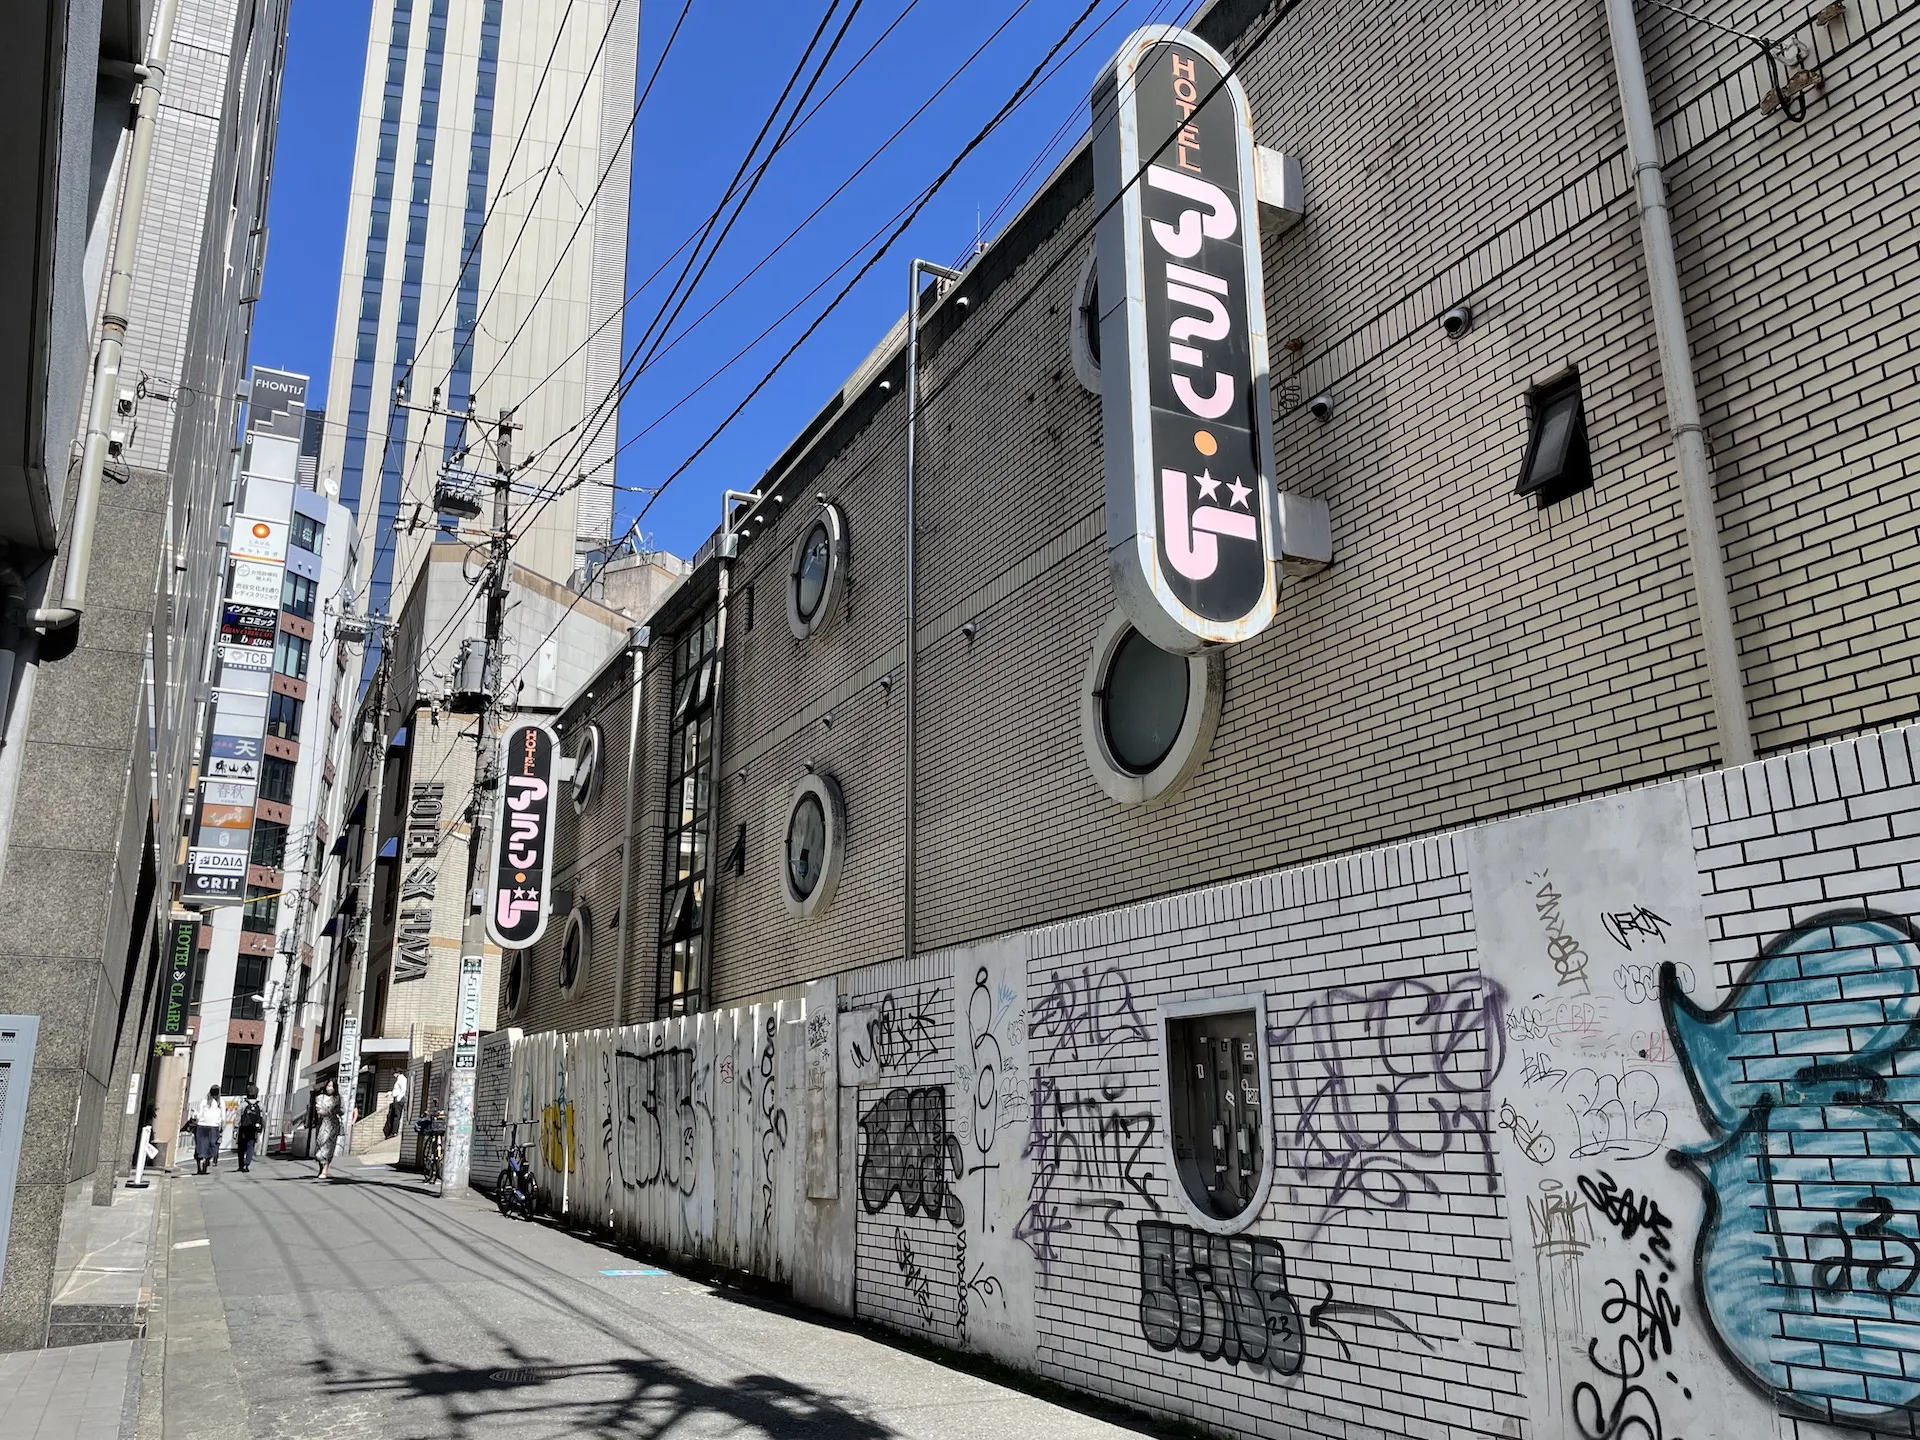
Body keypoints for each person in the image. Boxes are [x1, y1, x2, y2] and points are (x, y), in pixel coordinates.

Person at [310, 1076, 342, 1180]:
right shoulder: (320, 1097)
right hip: (322, 1124)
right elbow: (319, 1109)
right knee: (320, 1147)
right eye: (329, 1085)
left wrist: (336, 1111)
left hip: (333, 1124)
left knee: (329, 1147)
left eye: (332, 1086)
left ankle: (325, 1169)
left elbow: (342, 1110)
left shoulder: (337, 1098)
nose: (330, 1088)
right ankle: (321, 1167)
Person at [192, 1086, 222, 1175]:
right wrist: (221, 1129)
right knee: (212, 1147)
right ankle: (206, 1162)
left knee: (200, 1147)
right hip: (214, 1127)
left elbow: (199, 1115)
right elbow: (223, 1118)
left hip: (201, 1126)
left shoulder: (204, 1101)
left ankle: (199, 1166)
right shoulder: (220, 1103)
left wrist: (195, 1114)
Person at [236, 1084, 265, 1173]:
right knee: (250, 1146)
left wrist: (235, 1129)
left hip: (243, 1128)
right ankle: (247, 1164)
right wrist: (261, 1129)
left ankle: (241, 1165)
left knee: (241, 1146)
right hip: (253, 1128)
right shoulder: (260, 1105)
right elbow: (263, 1118)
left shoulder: (243, 1105)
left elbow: (238, 1118)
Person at [383, 1071, 409, 1140]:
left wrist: (398, 1098)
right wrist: (390, 1093)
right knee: (392, 1115)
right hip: (396, 1098)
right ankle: (392, 1131)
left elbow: (403, 1090)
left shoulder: (402, 1079)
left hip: (399, 1099)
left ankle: (394, 1132)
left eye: (394, 1073)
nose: (393, 1075)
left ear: (398, 1073)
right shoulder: (399, 1079)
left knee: (396, 1116)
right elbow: (396, 1090)